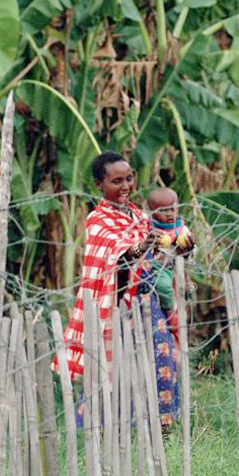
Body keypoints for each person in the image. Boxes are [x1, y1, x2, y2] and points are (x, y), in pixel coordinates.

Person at [58, 151, 180, 426]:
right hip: (117, 309)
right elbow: (116, 256)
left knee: (159, 366)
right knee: (110, 374)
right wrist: (140, 247)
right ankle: (96, 430)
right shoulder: (97, 220)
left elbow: (160, 252)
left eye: (129, 178)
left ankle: (161, 429)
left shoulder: (138, 214)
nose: (125, 186)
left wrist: (177, 244)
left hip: (148, 306)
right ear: (100, 185)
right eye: (116, 181)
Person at [145, 187, 195, 348]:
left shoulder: (181, 229)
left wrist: (187, 250)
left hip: (170, 271)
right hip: (149, 270)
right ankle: (168, 312)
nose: (170, 214)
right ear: (152, 212)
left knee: (168, 288)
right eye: (163, 211)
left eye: (173, 209)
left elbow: (191, 254)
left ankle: (171, 314)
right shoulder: (148, 228)